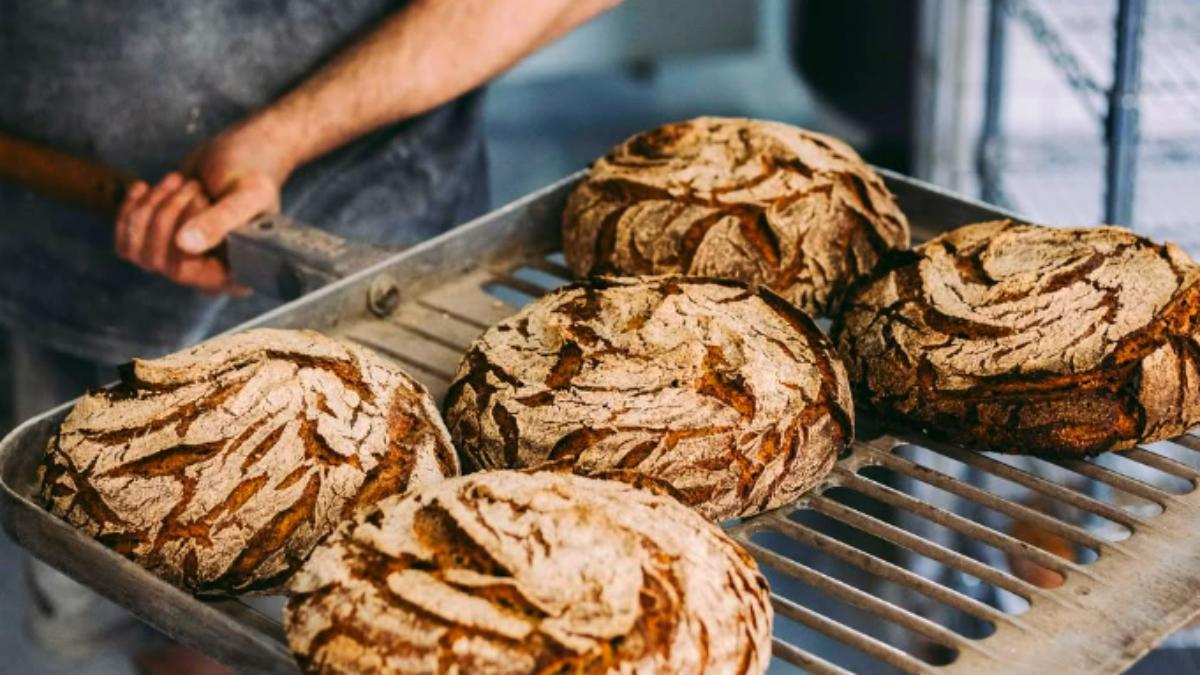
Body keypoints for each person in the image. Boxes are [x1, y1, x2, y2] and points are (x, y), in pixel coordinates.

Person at [0, 0, 619, 670]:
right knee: (131, 589)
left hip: (369, 260)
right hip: (51, 237)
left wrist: (285, 135)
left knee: (359, 618)